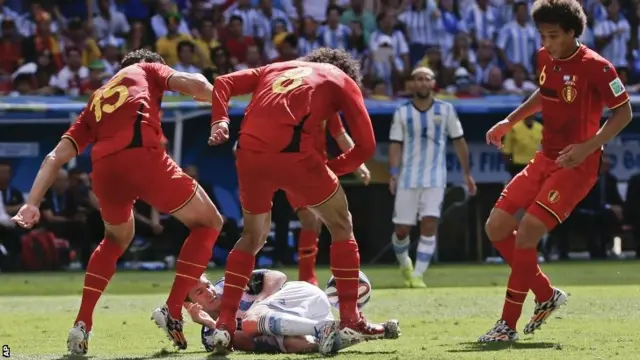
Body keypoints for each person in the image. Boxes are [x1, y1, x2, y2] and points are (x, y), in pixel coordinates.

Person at [11, 49, 225, 354]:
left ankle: (82, 323)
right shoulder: (148, 69)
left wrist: (32, 203)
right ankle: (173, 308)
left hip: (105, 169)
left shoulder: (96, 99)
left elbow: (54, 156)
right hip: (143, 156)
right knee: (209, 223)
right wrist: (216, 96)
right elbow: (192, 83)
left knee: (116, 238)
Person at [207, 48, 391, 353]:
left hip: (249, 156)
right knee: (341, 224)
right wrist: (335, 168)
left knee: (252, 236)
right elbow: (366, 146)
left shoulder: (276, 67)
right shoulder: (338, 79)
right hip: (299, 161)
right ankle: (350, 317)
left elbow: (223, 81)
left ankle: (225, 323)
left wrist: (219, 121)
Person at [480, 0, 632, 342]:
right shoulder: (544, 57)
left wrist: (588, 146)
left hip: (577, 164)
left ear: (572, 33)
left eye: (553, 35)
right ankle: (546, 294)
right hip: (544, 157)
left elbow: (624, 114)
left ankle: (507, 325)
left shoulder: (598, 67)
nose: (546, 42)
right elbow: (545, 93)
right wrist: (510, 120)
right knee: (496, 226)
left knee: (529, 231)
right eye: (542, 35)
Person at [232, 114, 372, 286]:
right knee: (269, 230)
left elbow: (340, 135)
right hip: (291, 167)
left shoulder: (326, 107)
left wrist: (359, 164)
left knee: (322, 223)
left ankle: (311, 276)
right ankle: (304, 277)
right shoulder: (287, 104)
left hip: (318, 171)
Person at [388, 67, 476, 288]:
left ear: (433, 83)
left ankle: (418, 275)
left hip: (435, 178)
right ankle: (405, 263)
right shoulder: (402, 112)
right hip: (407, 178)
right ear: (412, 84)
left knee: (429, 224)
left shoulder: (446, 110)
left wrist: (467, 173)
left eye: (427, 78)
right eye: (418, 79)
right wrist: (393, 173)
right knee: (401, 230)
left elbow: (459, 141)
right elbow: (395, 145)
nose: (423, 82)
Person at [185, 270, 399, 354]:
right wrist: (214, 326)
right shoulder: (209, 335)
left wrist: (261, 302)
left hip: (300, 296)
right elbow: (252, 344)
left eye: (208, 284)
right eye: (199, 292)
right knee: (292, 345)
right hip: (296, 324)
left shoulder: (231, 284)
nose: (210, 291)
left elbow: (277, 276)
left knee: (251, 322)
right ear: (189, 305)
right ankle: (368, 331)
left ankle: (323, 328)